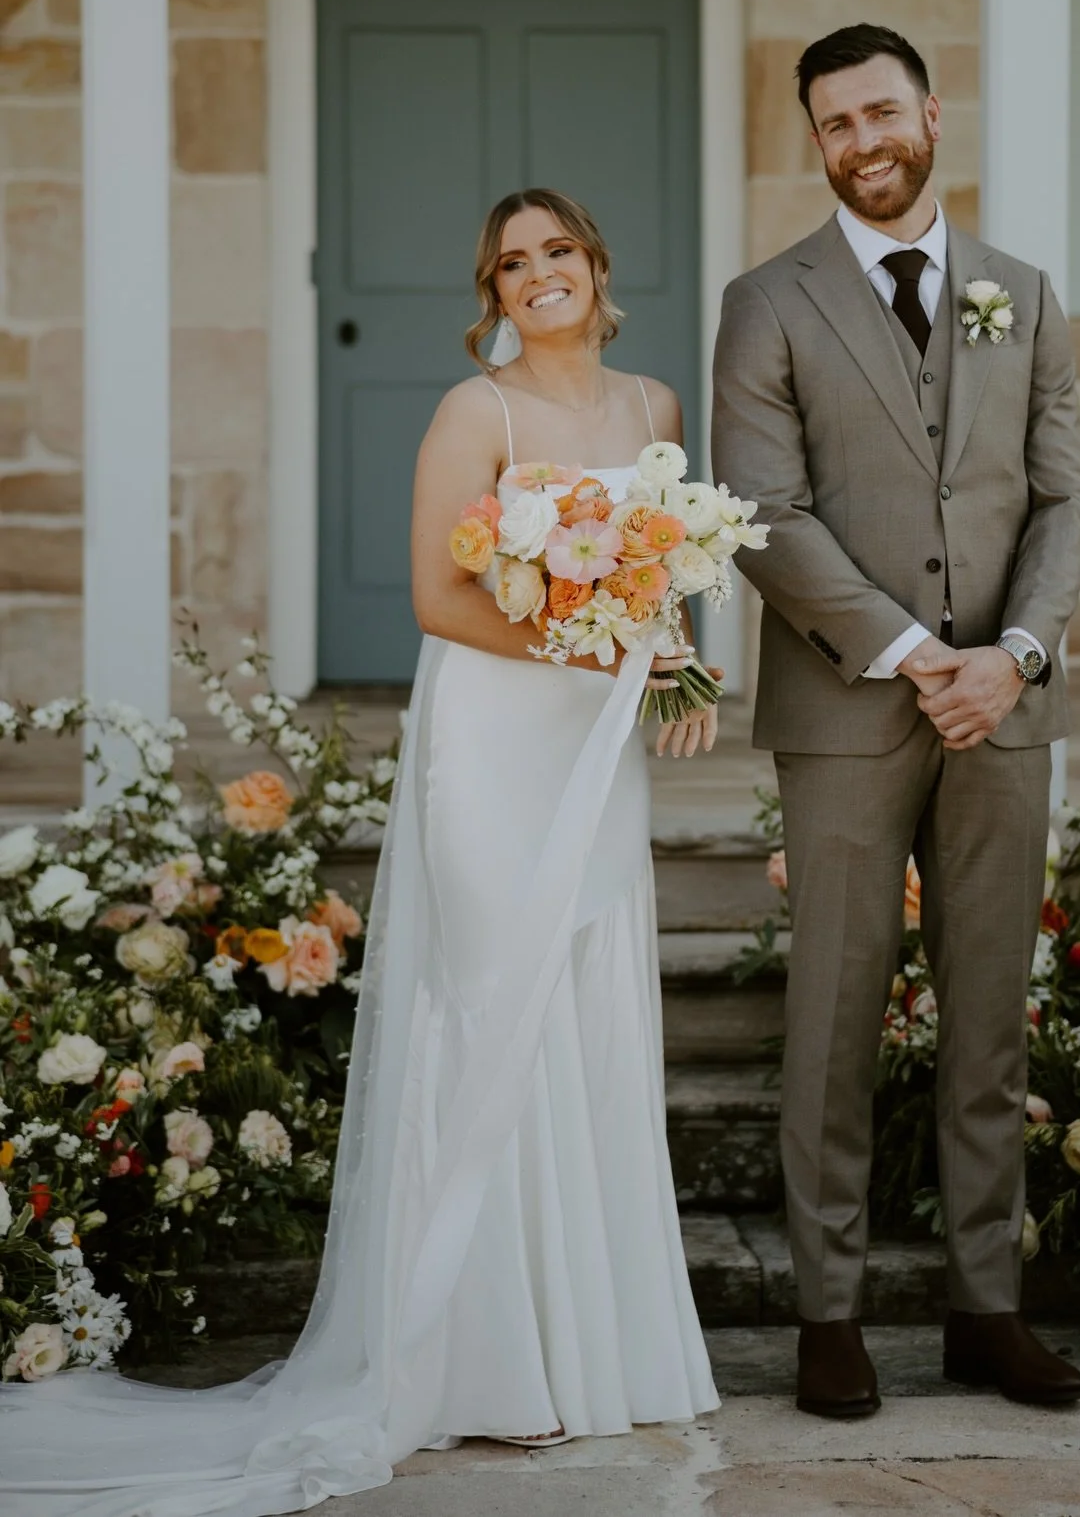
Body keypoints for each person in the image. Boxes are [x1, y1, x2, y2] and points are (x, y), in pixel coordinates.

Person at [0, 188, 718, 1515]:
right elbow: (442, 594)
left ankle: (597, 1345)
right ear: (492, 291)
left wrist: (674, 657)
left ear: (599, 265)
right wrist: (597, 641)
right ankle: (481, 1355)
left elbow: (667, 576)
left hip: (594, 743)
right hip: (495, 735)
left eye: (558, 251)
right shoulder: (477, 412)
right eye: (512, 262)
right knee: (492, 998)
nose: (539, 275)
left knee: (585, 991)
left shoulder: (657, 408)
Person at [712, 24, 1080, 1418]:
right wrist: (922, 649)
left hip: (1006, 707)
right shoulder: (767, 301)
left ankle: (987, 1310)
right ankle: (831, 1314)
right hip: (847, 709)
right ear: (816, 142)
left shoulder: (1026, 294)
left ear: (932, 114)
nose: (862, 141)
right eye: (834, 124)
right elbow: (763, 510)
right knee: (834, 1016)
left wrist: (1017, 654)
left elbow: (1065, 499)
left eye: (881, 111)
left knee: (989, 1015)